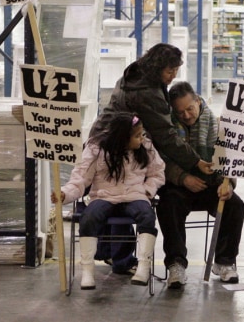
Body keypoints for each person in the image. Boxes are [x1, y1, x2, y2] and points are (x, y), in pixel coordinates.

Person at [91, 43, 214, 274]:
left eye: (176, 70)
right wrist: (195, 161)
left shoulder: (136, 72)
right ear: (158, 67)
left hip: (107, 139)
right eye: (170, 71)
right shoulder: (147, 91)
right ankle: (120, 258)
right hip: (114, 147)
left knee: (117, 195)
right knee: (121, 195)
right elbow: (166, 136)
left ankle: (114, 254)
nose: (173, 76)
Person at [51, 112, 165, 289]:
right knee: (89, 217)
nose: (142, 139)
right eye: (137, 136)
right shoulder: (96, 148)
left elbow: (157, 173)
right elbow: (80, 178)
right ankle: (87, 270)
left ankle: (143, 266)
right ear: (122, 138)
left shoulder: (146, 146)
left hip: (135, 195)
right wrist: (65, 193)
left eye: (142, 134)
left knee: (147, 215)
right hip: (104, 196)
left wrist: (147, 190)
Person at [159, 81, 244, 288]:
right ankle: (176, 263)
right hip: (178, 185)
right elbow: (160, 162)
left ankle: (224, 262)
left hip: (211, 184)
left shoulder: (217, 125)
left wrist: (229, 184)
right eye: (180, 113)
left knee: (235, 205)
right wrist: (183, 178)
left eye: (190, 109)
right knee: (167, 204)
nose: (187, 116)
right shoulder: (166, 130)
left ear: (198, 101)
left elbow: (230, 160)